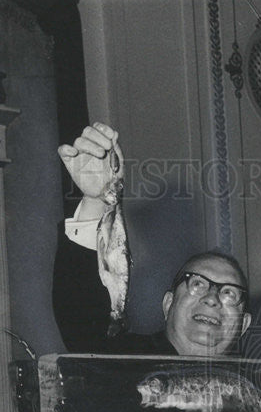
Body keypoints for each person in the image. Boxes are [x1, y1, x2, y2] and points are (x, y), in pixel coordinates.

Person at [55, 122, 251, 356]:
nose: (212, 299)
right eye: (197, 283)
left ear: (244, 324)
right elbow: (84, 333)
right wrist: (100, 199)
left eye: (230, 293)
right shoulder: (129, 362)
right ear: (168, 305)